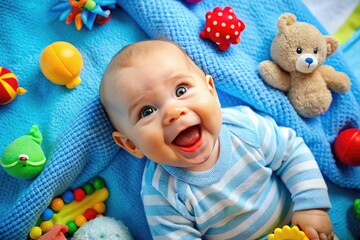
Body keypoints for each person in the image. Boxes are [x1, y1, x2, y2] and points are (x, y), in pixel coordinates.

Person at [99, 39, 334, 240]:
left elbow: (292, 153)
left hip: (303, 228)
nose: (173, 112)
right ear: (131, 145)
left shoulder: (244, 128)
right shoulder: (161, 191)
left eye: (181, 90)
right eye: (147, 111)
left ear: (211, 91)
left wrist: (312, 207)